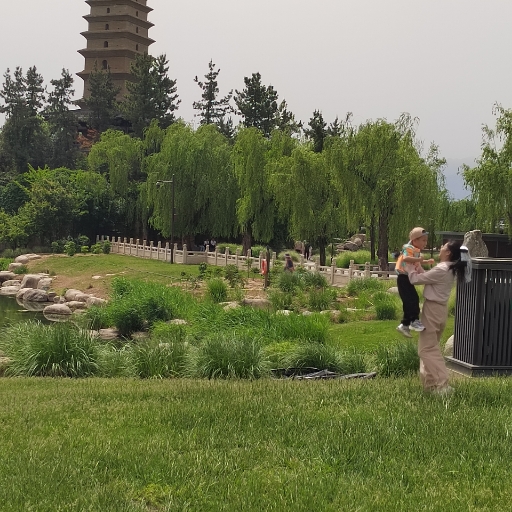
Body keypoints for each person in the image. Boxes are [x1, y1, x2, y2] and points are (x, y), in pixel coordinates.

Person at [408, 241, 470, 395]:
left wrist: (408, 265)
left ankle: (442, 385)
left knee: (426, 349)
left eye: (443, 246)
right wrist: (417, 266)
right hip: (438, 310)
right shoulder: (448, 268)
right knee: (430, 346)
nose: (440, 248)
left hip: (433, 310)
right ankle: (431, 386)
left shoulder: (442, 269)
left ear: (448, 252)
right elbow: (428, 278)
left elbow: (415, 280)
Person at [395, 227, 435, 337]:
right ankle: (413, 321)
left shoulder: (416, 251)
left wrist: (426, 262)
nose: (425, 243)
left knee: (412, 300)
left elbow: (417, 264)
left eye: (426, 240)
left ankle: (405, 324)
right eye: (423, 240)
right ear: (415, 240)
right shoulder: (408, 248)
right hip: (403, 278)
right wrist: (419, 259)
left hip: (407, 278)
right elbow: (406, 258)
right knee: (411, 300)